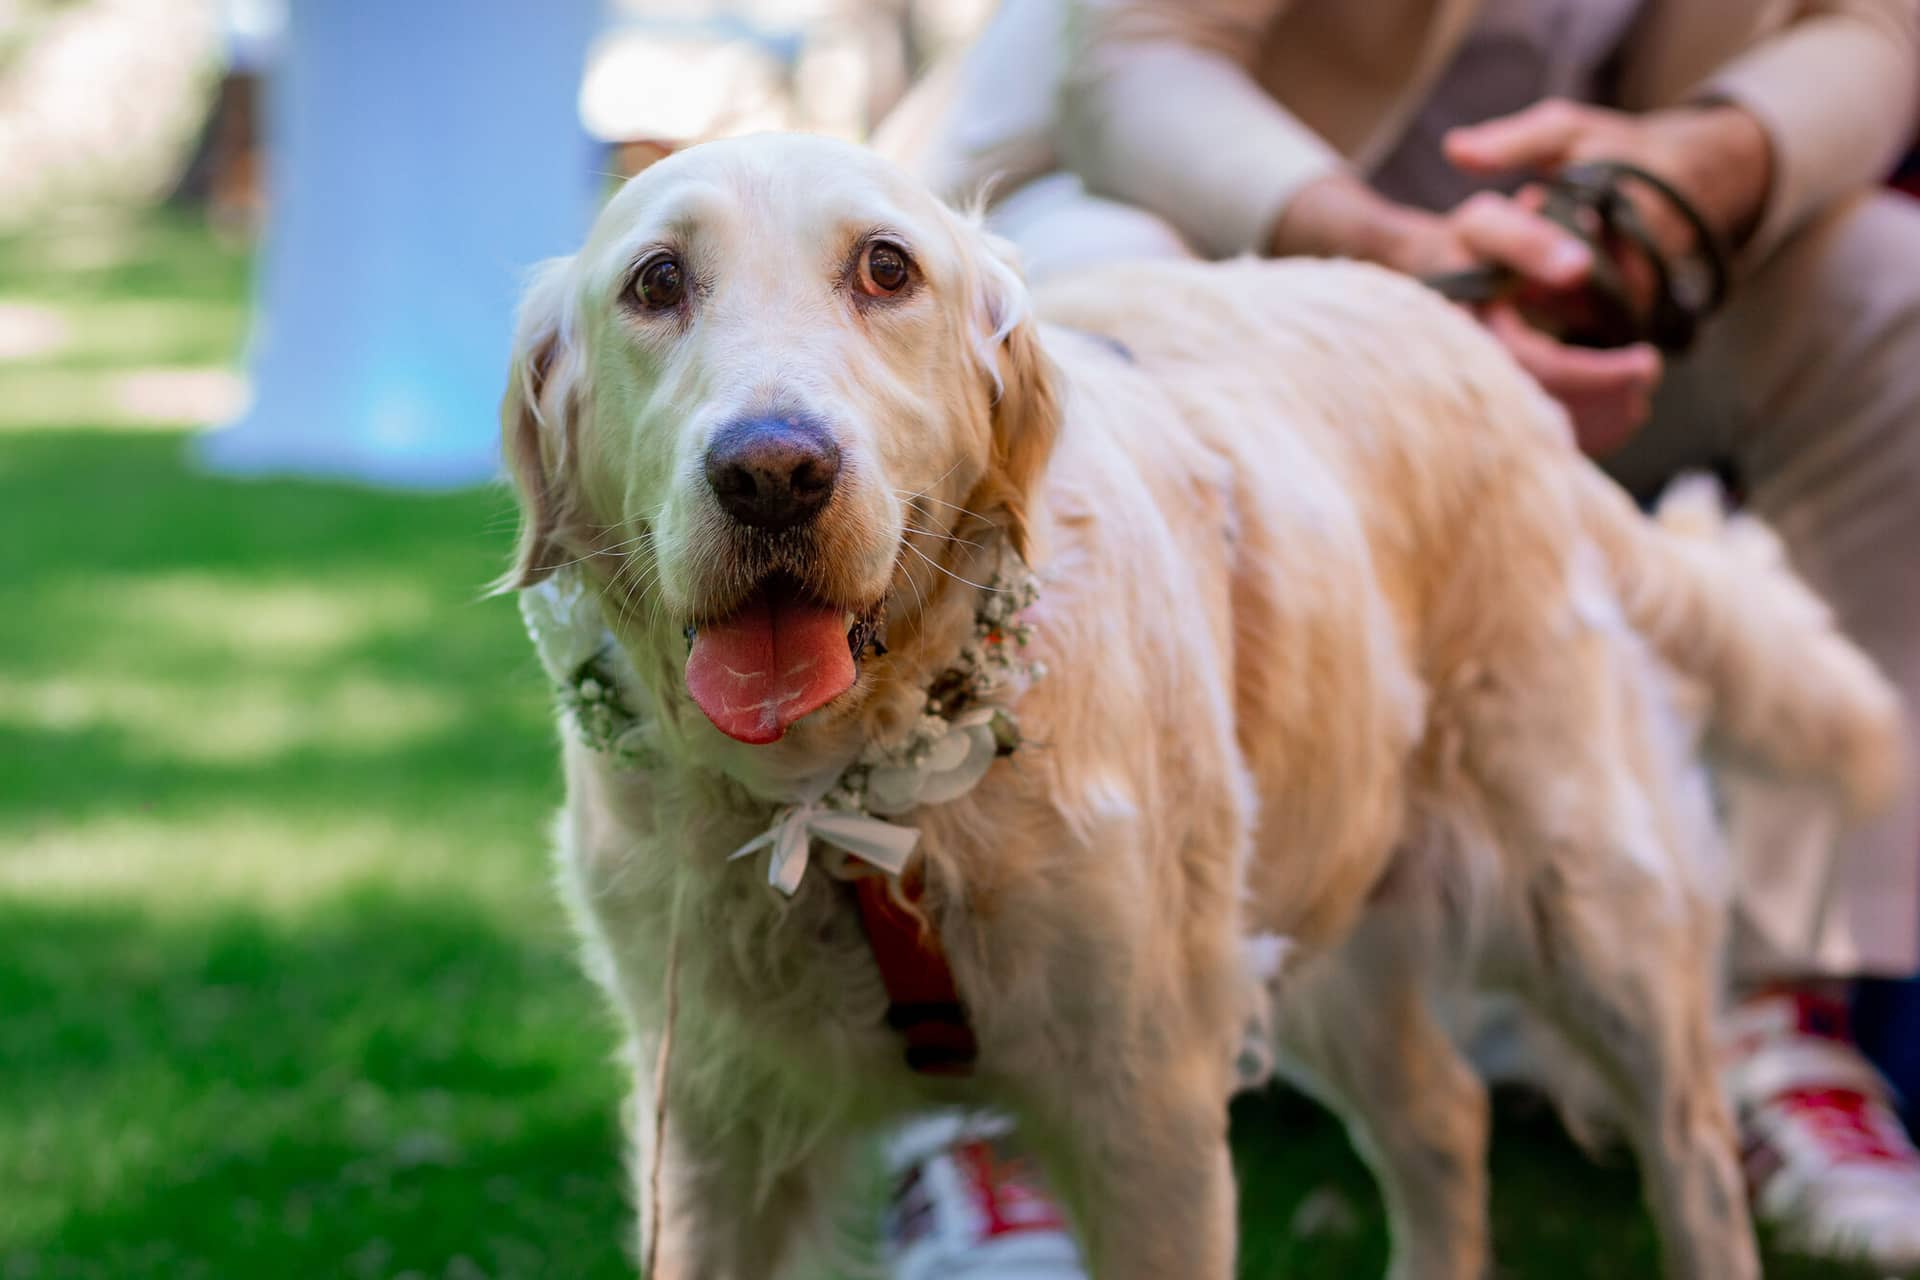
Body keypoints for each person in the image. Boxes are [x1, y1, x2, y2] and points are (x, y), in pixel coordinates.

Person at [872, 0, 1920, 1270]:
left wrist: (1700, 169)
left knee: (1892, 283)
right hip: (1171, 209)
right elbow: (1139, 64)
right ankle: (979, 1086)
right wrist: (1382, 265)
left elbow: (1873, 24)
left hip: (1580, 284)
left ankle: (1783, 1001)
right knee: (1078, 289)